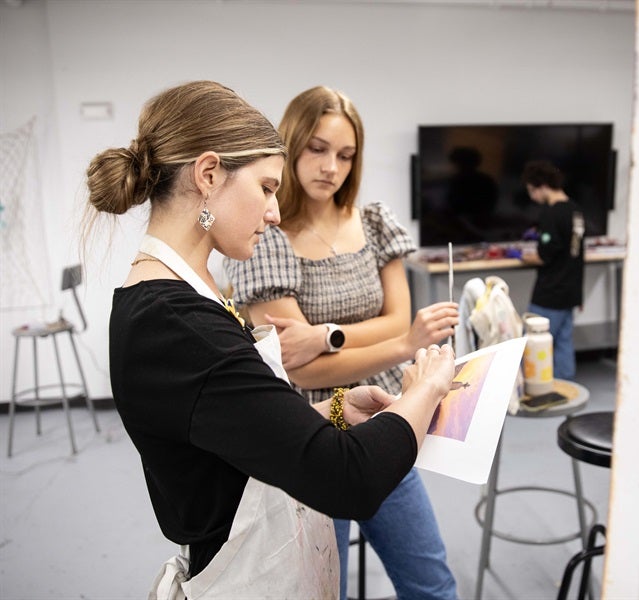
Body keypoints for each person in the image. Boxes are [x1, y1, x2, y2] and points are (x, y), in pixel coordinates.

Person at [84, 80, 455, 599]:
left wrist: (334, 410)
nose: (274, 211)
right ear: (208, 175)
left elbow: (237, 423)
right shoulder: (177, 324)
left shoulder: (178, 297)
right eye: (264, 188)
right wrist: (426, 388)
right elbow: (347, 478)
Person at [223, 86, 459, 600]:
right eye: (317, 149)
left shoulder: (372, 221)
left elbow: (399, 318)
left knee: (432, 584)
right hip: (313, 431)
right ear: (291, 144)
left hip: (386, 423)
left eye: (346, 155)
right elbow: (301, 369)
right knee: (328, 589)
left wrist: (327, 335)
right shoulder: (267, 236)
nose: (331, 167)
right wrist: (403, 345)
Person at [521, 160, 585, 381]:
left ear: (541, 186)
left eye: (531, 190)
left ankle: (530, 388)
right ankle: (565, 385)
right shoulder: (575, 210)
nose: (532, 197)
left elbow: (544, 255)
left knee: (531, 342)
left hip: (550, 292)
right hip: (571, 290)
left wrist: (522, 255)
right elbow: (574, 251)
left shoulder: (551, 213)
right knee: (563, 342)